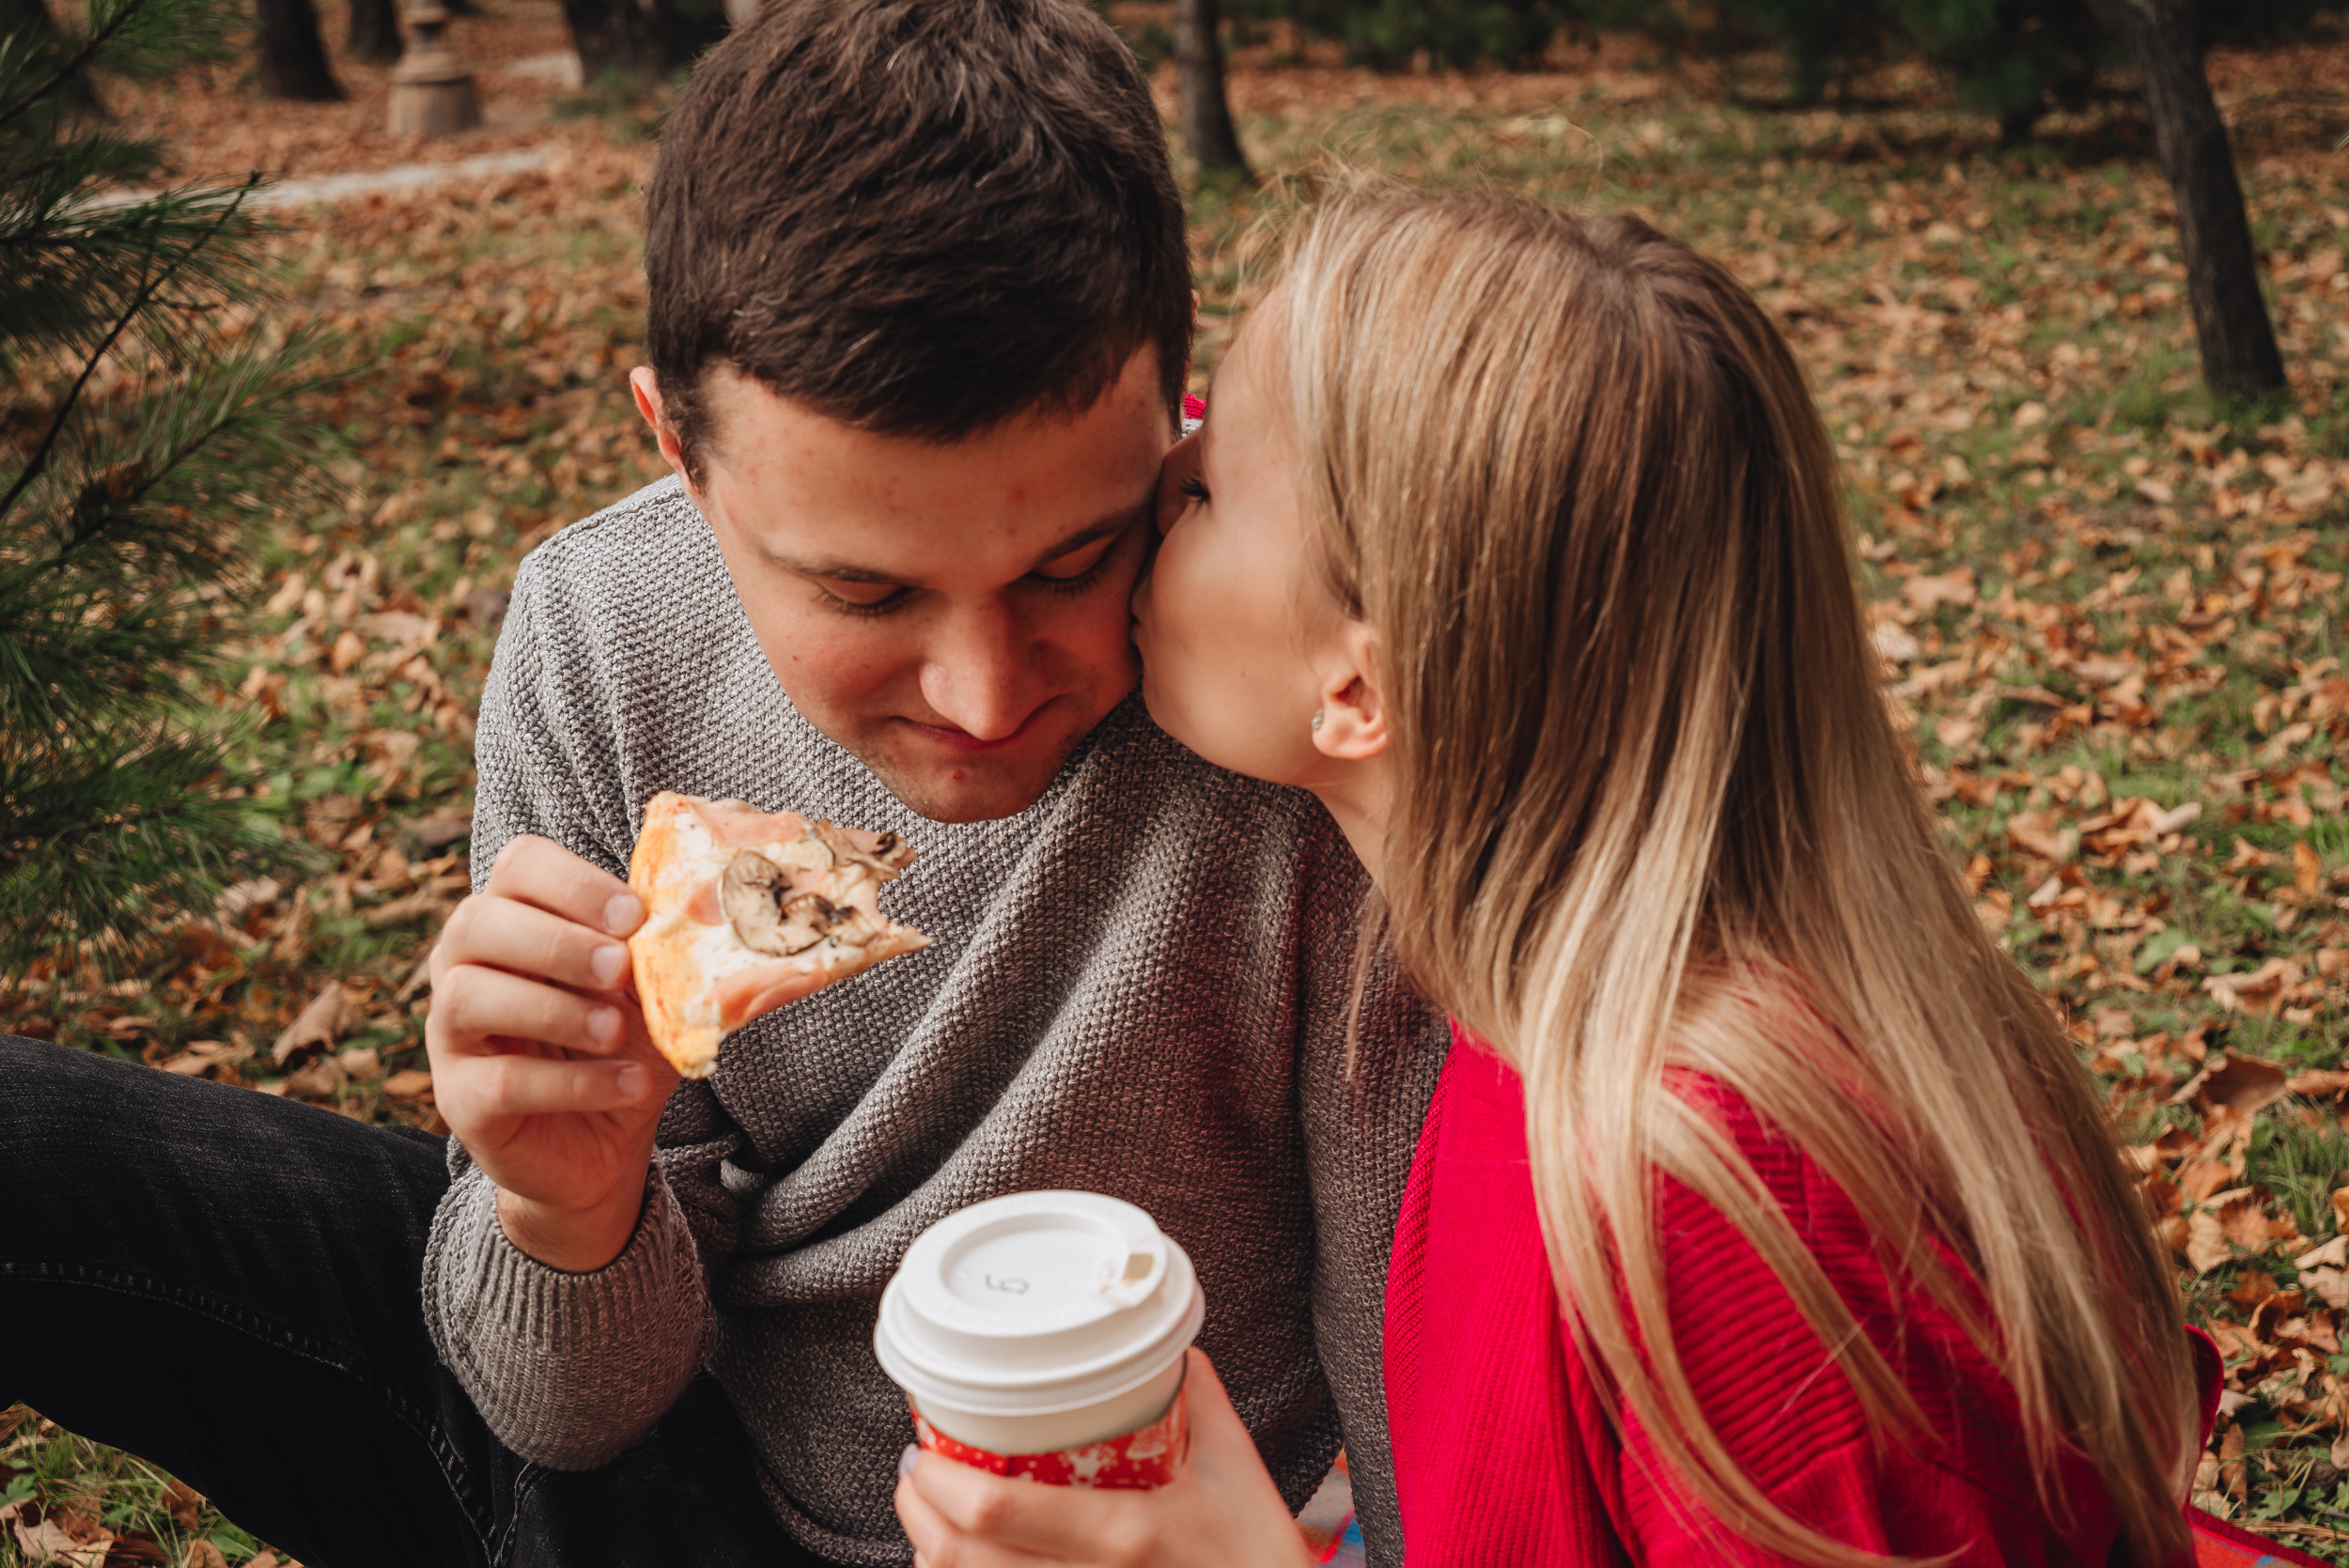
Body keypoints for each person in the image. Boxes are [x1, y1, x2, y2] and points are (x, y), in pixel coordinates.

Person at [0, 8, 1448, 1565]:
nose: (986, 691)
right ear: (681, 458)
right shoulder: (604, 634)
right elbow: (564, 1416)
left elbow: (1421, 1358)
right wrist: (566, 1205)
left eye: (1076, 561)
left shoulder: (1298, 668)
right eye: (866, 594)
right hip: (709, 1471)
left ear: (1178, 407)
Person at [896, 189, 2208, 1566]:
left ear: (1358, 683)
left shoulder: (1726, 1201)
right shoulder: (1535, 1027)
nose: (1160, 480)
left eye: (1214, 483)